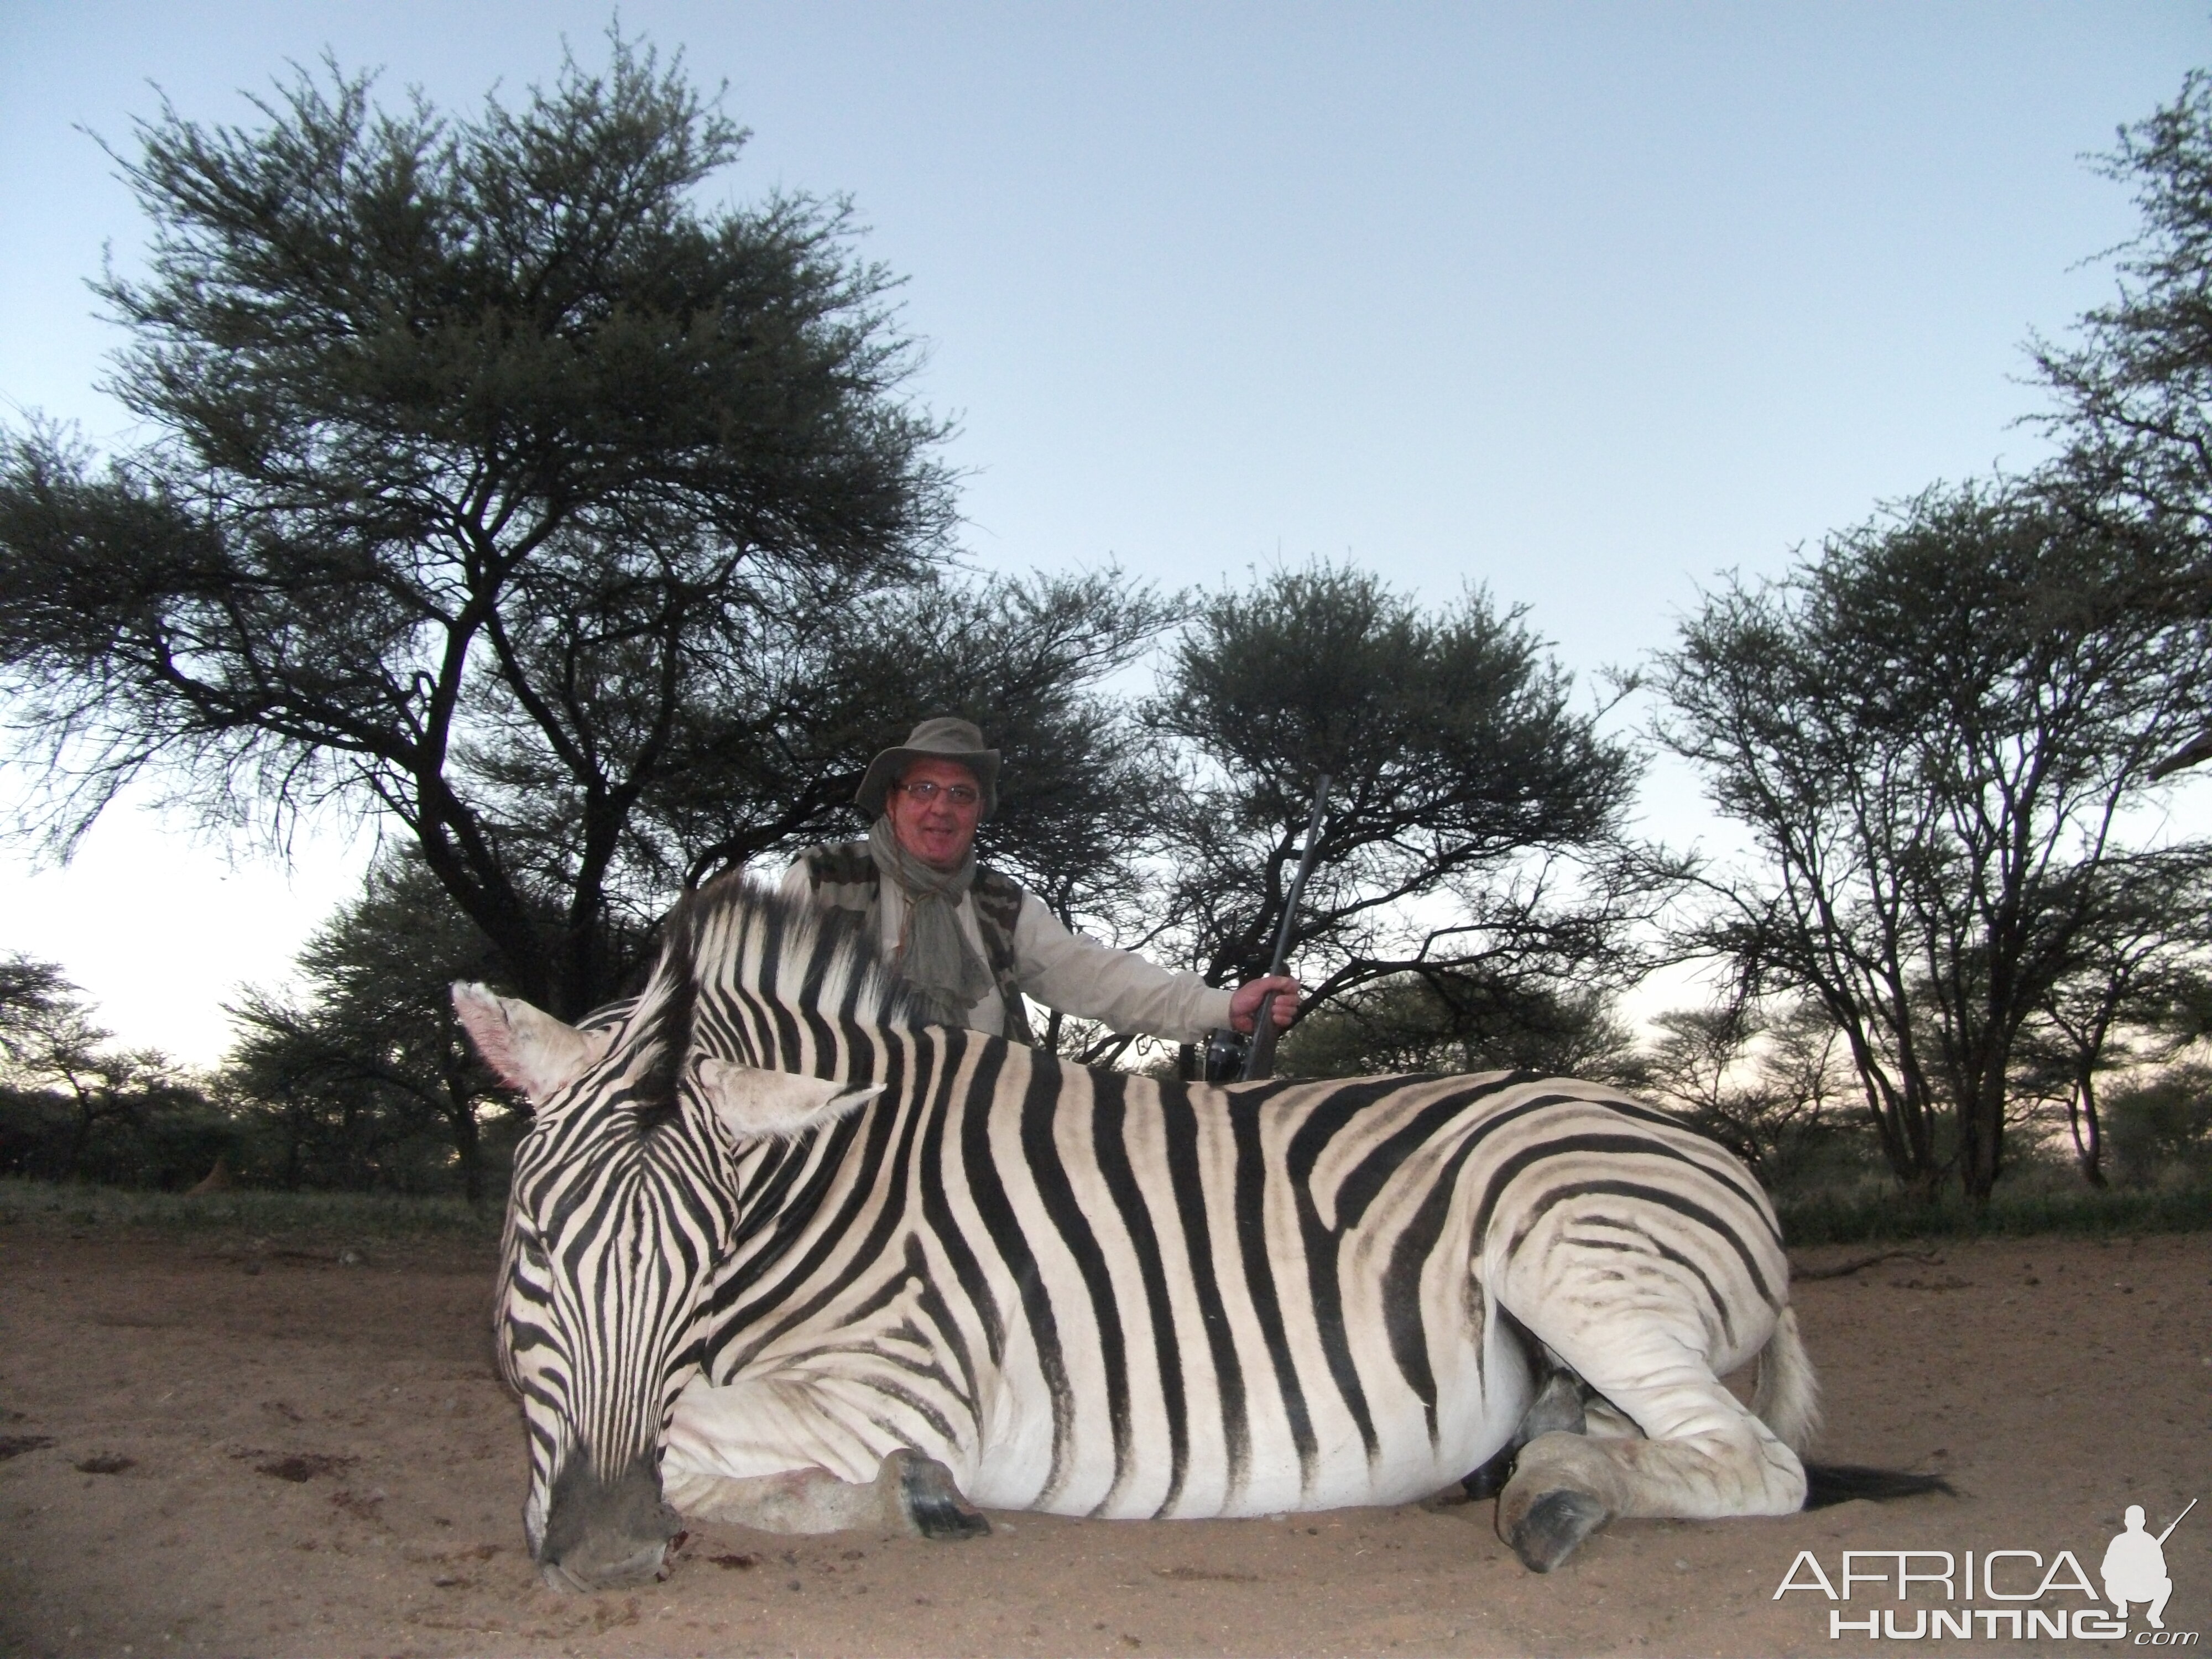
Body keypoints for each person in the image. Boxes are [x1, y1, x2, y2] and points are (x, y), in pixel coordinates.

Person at [781, 717, 1299, 1050]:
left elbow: (1096, 976)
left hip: (974, 1129)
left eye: (962, 794)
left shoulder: (1001, 904)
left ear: (979, 811)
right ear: (891, 801)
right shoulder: (819, 880)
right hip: (844, 1135)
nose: (941, 807)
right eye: (923, 789)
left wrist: (1223, 1007)